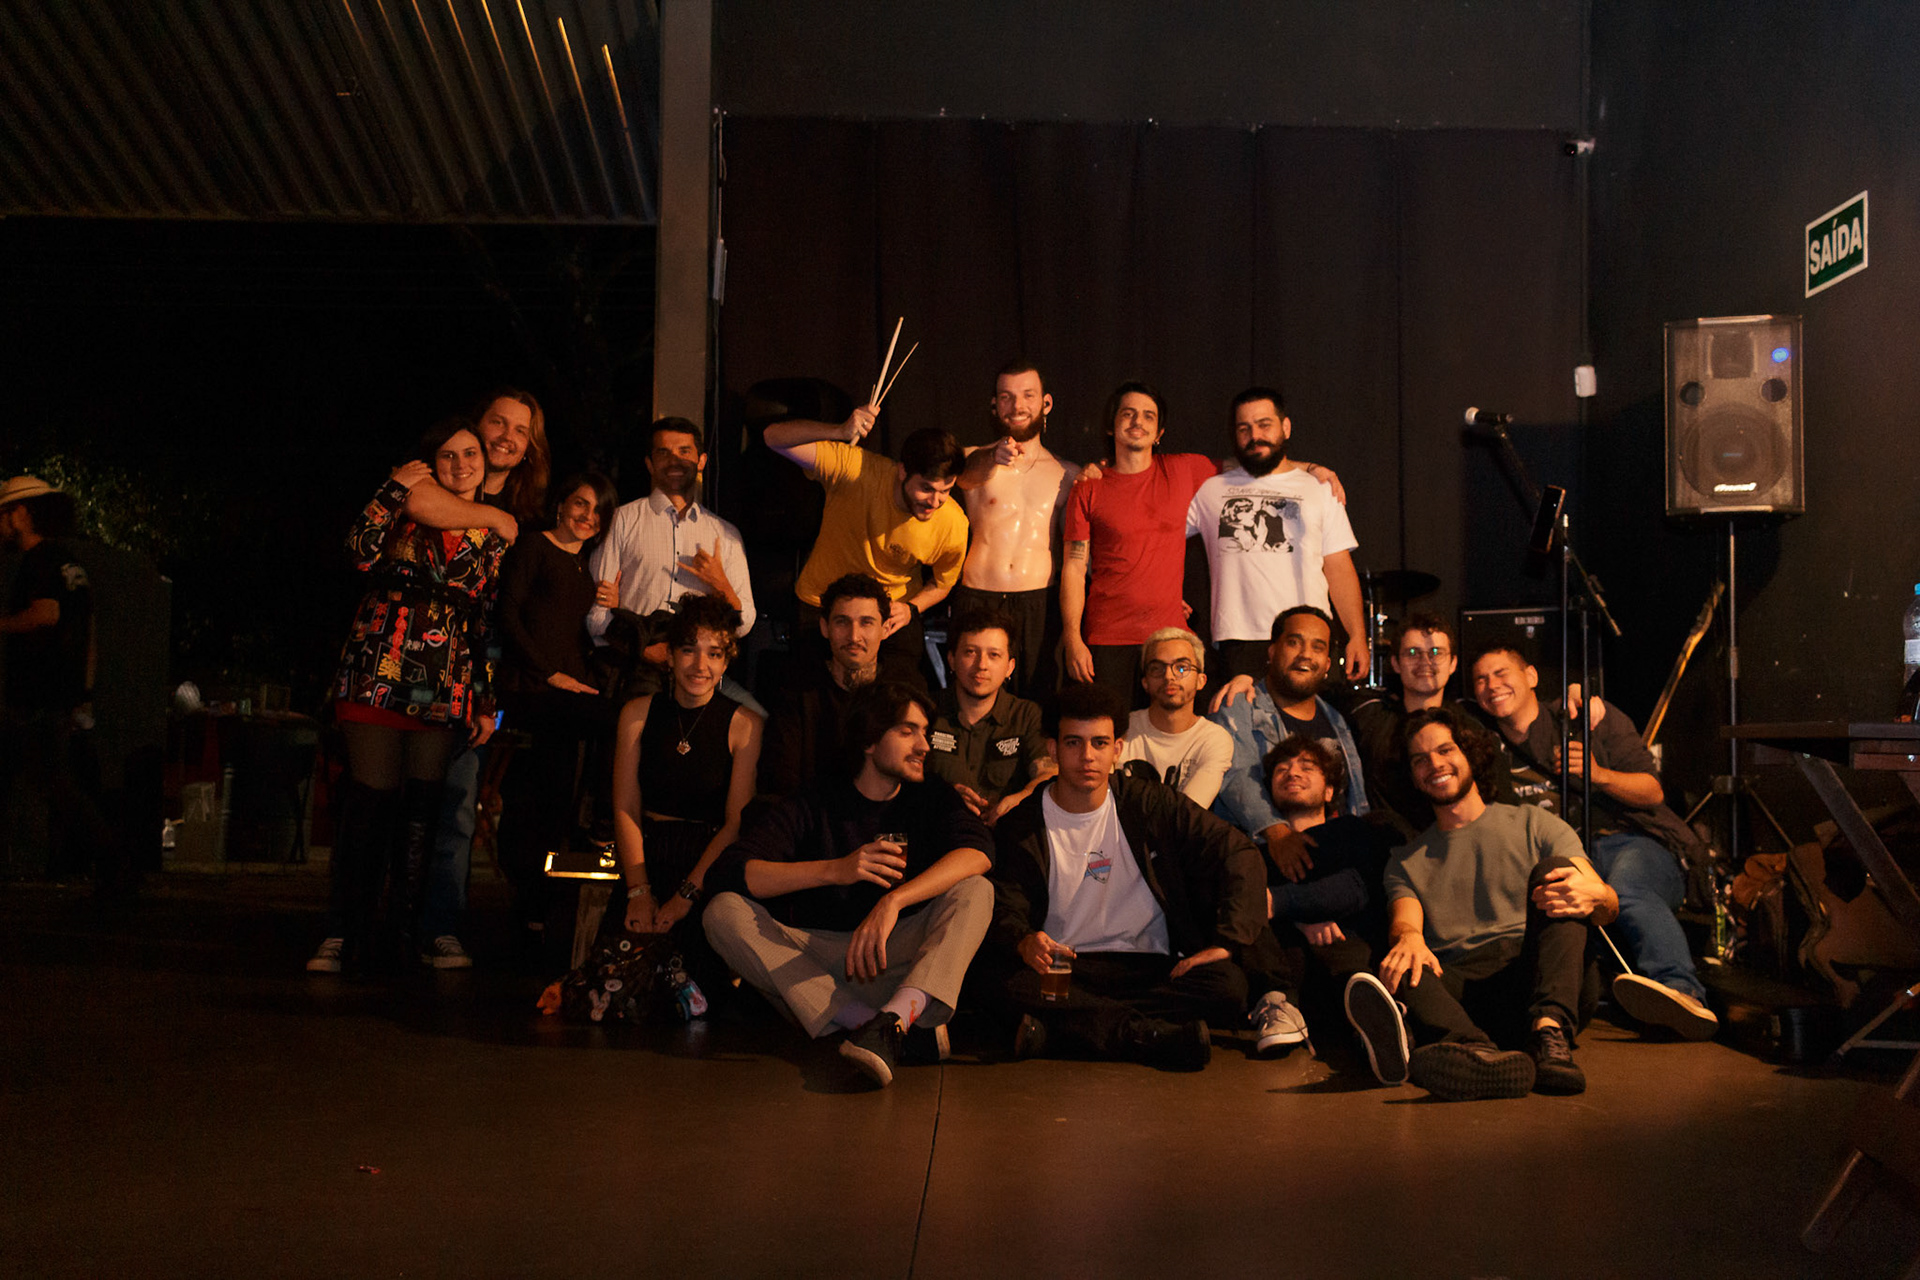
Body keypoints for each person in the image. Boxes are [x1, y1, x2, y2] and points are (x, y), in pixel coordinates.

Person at [703, 681, 994, 1088]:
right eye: (907, 731)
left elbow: (979, 852)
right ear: (869, 741)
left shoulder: (931, 795)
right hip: (820, 974)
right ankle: (881, 1028)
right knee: (722, 913)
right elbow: (730, 871)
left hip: (899, 962)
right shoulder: (816, 799)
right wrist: (835, 870)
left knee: (977, 890)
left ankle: (895, 1017)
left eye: (925, 733)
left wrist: (893, 902)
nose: (924, 745)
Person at [987, 683, 1276, 1069]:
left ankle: (1065, 1031)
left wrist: (1228, 940)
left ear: (1118, 749)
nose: (1087, 756)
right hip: (1065, 968)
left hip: (1148, 967)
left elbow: (1237, 851)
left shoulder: (1150, 803)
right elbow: (1007, 904)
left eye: (1100, 743)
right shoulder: (1022, 825)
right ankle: (1147, 1035)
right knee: (998, 983)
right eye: (1073, 743)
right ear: (1052, 749)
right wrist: (1024, 940)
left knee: (1227, 987)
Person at [311, 418, 508, 976]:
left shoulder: (491, 532)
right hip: (379, 666)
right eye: (448, 455)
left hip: (444, 680)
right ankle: (344, 934)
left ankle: (402, 938)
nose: (461, 464)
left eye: (470, 454)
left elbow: (485, 621)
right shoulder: (403, 506)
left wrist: (485, 700)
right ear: (430, 463)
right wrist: (394, 487)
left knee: (423, 813)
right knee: (368, 804)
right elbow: (358, 551)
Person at [1469, 644, 1717, 1040]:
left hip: (1629, 842)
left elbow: (1653, 791)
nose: (1491, 685)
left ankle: (1683, 993)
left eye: (1501, 673)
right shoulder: (1484, 744)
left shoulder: (1586, 719)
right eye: (1480, 679)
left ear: (1531, 676)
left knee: (1625, 888)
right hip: (1562, 856)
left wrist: (1598, 774)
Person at [1376, 708, 1609, 1100]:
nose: (1435, 764)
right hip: (1470, 994)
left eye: (1445, 750)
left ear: (1469, 754)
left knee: (1558, 875)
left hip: (1542, 975)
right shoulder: (1405, 861)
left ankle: (1548, 1035)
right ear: (1412, 776)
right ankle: (1475, 1053)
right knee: (1399, 965)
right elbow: (1405, 922)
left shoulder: (1536, 823)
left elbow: (1596, 895)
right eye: (1420, 759)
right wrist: (1409, 939)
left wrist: (1602, 896)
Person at [413, 388, 550, 970]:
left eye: (521, 431)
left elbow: (502, 619)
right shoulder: (438, 480)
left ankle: (440, 928)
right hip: (408, 673)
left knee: (457, 810)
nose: (507, 437)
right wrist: (489, 516)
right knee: (398, 808)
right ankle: (380, 925)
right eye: (499, 422)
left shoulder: (529, 521)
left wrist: (489, 699)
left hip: (474, 683)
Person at [490, 472, 620, 956]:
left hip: (568, 692)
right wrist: (549, 674)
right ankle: (530, 902)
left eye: (598, 511)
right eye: (581, 504)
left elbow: (578, 630)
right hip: (533, 687)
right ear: (562, 504)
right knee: (534, 800)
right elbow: (508, 616)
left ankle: (542, 909)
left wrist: (613, 606)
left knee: (555, 800)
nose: (588, 516)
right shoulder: (533, 547)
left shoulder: (586, 566)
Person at [609, 595, 765, 994]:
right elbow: (625, 806)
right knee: (616, 988)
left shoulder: (745, 724)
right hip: (644, 858)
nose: (700, 665)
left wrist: (687, 895)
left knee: (693, 992)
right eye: (689, 650)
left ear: (726, 662)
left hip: (707, 864)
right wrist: (638, 890)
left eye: (714, 654)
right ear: (670, 656)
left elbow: (736, 823)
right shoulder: (637, 713)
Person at [765, 409, 968, 683]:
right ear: (903, 471)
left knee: (898, 697)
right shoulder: (856, 470)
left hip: (890, 614)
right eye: (927, 488)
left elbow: (943, 583)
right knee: (812, 694)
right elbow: (773, 437)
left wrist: (912, 608)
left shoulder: (953, 522)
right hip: (821, 604)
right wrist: (839, 431)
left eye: (946, 490)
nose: (935, 501)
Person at [1187, 387, 1367, 682]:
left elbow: (1338, 568)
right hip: (1239, 638)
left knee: (1305, 714)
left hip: (1308, 634)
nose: (1254, 436)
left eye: (1264, 425)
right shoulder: (1210, 490)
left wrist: (1357, 635)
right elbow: (1160, 539)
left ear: (1285, 427)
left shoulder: (1320, 489)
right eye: (1244, 428)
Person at [1059, 382, 1217, 710]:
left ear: (1159, 432)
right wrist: (1073, 637)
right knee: (1109, 732)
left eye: (1148, 416)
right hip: (1106, 638)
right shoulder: (1088, 487)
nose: (1137, 422)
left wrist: (1310, 469)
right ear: (1111, 425)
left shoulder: (1184, 470)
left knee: (1169, 735)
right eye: (1128, 414)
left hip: (1169, 640)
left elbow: (1247, 468)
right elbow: (1074, 567)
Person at [1256, 735, 1405, 1078]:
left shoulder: (1353, 831)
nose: (1292, 772)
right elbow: (1247, 904)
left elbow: (1355, 891)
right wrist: (1301, 921)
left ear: (1328, 791)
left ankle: (1385, 1030)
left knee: (1346, 946)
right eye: (1282, 768)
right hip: (1293, 974)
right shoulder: (1254, 853)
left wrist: (1284, 904)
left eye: (1306, 766)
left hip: (1350, 959)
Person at [951, 361, 1081, 700]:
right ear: (994, 405)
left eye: (1027, 395)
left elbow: (1081, 552)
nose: (1017, 406)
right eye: (1007, 397)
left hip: (1039, 603)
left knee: (1038, 702)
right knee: (972, 701)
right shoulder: (971, 459)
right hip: (979, 597)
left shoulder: (1067, 474)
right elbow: (964, 477)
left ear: (1046, 403)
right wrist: (993, 457)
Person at [0, 476, 108, 881]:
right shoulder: (68, 564)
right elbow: (90, 631)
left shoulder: (39, 562)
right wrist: (84, 691)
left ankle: (114, 860)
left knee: (56, 785)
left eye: (3, 514)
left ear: (20, 514)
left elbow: (46, 614)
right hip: (58, 695)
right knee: (50, 783)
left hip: (36, 697)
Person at [1209, 606, 1369, 872]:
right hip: (1263, 861)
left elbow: (1355, 797)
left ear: (1327, 664)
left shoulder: (1337, 719)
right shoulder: (1240, 703)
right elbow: (1235, 775)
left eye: (1318, 647)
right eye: (1294, 642)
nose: (1306, 654)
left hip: (1338, 864)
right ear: (1272, 652)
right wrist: (1278, 834)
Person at [585, 415, 756, 647]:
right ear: (649, 464)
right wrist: (643, 649)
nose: (674, 461)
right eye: (663, 453)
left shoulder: (726, 534)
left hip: (698, 664)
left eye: (684, 451)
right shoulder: (621, 521)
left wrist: (721, 584)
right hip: (634, 661)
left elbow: (744, 624)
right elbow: (596, 616)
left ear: (701, 461)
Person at [1348, 613, 1515, 838]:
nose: (1425, 661)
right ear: (1395, 663)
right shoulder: (1369, 718)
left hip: (1462, 849)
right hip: (1389, 852)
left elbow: (1504, 807)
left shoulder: (1474, 728)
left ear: (1453, 663)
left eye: (1436, 652)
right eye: (1413, 653)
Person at [758, 573, 898, 800]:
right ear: (825, 627)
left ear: (885, 628)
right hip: (808, 816)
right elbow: (780, 781)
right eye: (842, 621)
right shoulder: (796, 694)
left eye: (866, 623)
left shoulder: (899, 698)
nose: (854, 636)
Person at [922, 608, 1054, 825]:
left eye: (994, 655)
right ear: (952, 659)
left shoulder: (1026, 715)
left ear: (1010, 667)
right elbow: (898, 777)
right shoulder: (925, 711)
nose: (981, 665)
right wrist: (942, 797)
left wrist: (1020, 799)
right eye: (970, 652)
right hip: (940, 830)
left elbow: (1048, 775)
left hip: (1008, 832)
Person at [1118, 627, 1234, 808]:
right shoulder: (1121, 729)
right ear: (1145, 682)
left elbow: (1189, 813)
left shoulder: (1214, 739)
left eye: (1181, 668)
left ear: (1201, 680)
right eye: (1157, 668)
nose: (1168, 676)